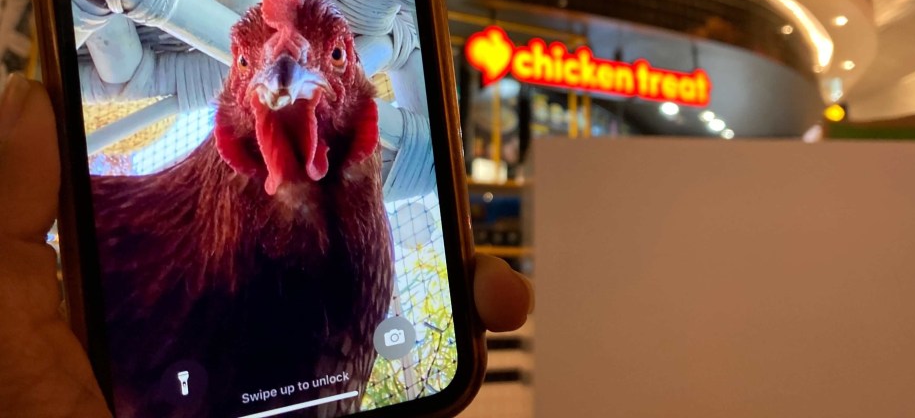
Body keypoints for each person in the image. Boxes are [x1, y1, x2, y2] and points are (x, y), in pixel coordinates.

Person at [0, 74, 533, 417]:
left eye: (335, 57)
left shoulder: (350, 282)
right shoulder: (85, 257)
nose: (286, 73)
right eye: (250, 65)